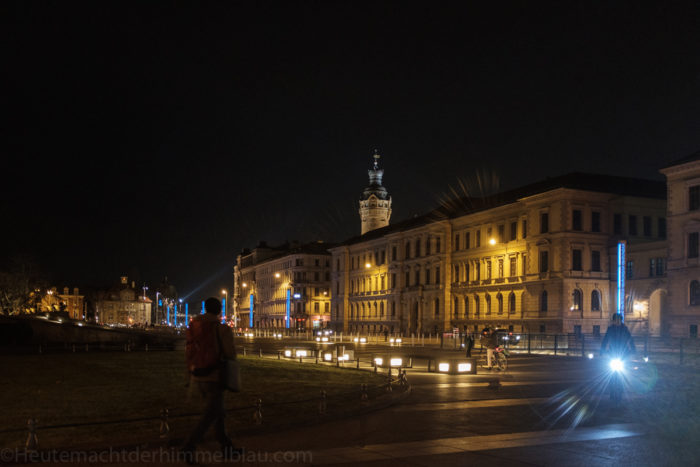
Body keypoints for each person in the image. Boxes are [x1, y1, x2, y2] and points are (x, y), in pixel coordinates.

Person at [181, 297, 240, 462]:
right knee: (211, 414)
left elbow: (189, 350)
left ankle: (227, 447)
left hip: (197, 374)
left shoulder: (194, 326)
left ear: (205, 309)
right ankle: (188, 447)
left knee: (218, 413)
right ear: (219, 310)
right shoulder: (221, 329)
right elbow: (230, 353)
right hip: (215, 376)